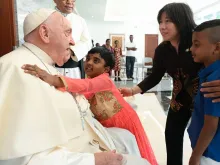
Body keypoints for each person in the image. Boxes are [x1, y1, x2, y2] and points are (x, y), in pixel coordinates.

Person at [0, 9, 149, 165]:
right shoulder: (18, 69)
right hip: (78, 155)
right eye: (67, 33)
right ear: (45, 33)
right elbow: (23, 157)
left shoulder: (44, 65)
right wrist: (94, 160)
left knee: (129, 140)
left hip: (91, 138)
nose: (72, 41)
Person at [119, 3, 220, 165]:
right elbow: (155, 76)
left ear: (181, 20)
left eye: (168, 21)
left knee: (207, 142)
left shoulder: (198, 40)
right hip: (178, 102)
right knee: (172, 136)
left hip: (205, 99)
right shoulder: (162, 50)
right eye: (160, 22)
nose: (162, 27)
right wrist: (132, 90)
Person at [22, 47, 158, 165]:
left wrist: (52, 79)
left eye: (96, 61)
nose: (89, 63)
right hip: (109, 124)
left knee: (136, 150)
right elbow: (78, 91)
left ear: (106, 69)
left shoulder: (103, 80)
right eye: (88, 59)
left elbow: (85, 86)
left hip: (125, 120)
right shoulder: (90, 80)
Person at [188, 20, 220, 165]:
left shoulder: (213, 81)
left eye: (197, 44)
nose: (191, 49)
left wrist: (195, 157)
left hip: (209, 153)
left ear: (216, 47)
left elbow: (210, 126)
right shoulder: (207, 73)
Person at [54, 0, 91, 79]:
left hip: (74, 70)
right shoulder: (45, 18)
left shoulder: (80, 20)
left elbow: (87, 42)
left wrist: (71, 51)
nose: (70, 2)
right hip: (51, 68)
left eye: (73, 0)